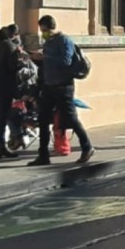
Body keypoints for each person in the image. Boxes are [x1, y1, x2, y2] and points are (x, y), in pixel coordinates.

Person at [28, 15, 94, 166]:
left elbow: (65, 61)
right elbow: (47, 65)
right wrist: (36, 59)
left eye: (43, 30)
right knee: (43, 119)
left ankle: (87, 147)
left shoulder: (64, 41)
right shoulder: (48, 43)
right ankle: (43, 155)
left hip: (64, 86)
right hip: (49, 86)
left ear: (50, 28)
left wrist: (44, 57)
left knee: (71, 118)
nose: (42, 33)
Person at [0, 25, 18, 158]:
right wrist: (21, 59)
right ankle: (2, 146)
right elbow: (12, 66)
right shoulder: (10, 46)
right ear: (12, 35)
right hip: (5, 86)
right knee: (3, 116)